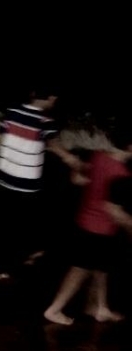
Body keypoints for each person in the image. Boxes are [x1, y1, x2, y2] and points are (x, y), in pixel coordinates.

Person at [0, 84, 83, 282]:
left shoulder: (13, 112)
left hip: (3, 177)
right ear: (51, 98)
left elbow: (2, 132)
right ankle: (3, 267)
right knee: (20, 225)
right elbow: (53, 144)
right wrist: (71, 158)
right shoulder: (45, 121)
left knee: (5, 222)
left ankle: (14, 257)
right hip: (25, 183)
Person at [43, 120, 132, 325]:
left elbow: (79, 180)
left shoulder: (99, 156)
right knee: (81, 269)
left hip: (85, 221)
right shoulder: (122, 174)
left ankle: (99, 307)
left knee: (101, 266)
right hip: (98, 229)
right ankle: (54, 309)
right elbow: (114, 210)